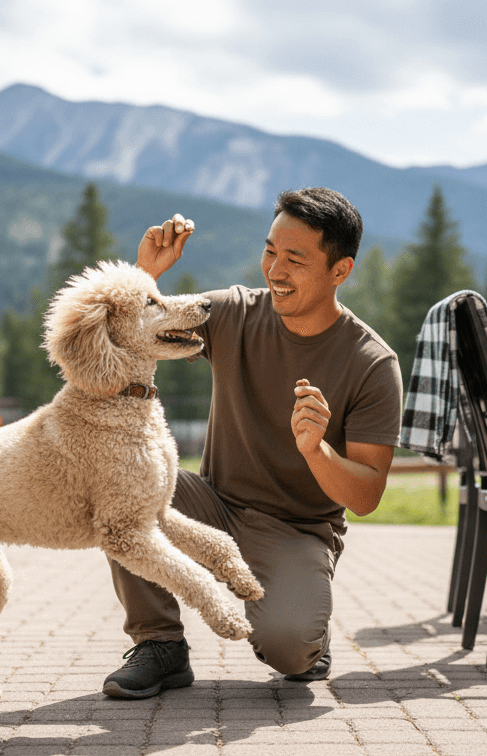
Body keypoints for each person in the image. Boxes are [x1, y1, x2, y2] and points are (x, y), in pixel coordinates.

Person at [103, 187, 403, 699]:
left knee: (290, 650)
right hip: (212, 505)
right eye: (270, 251)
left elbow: (367, 495)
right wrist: (145, 273)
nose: (275, 270)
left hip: (297, 529)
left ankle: (306, 636)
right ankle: (160, 644)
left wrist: (317, 449)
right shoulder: (233, 313)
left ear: (340, 270)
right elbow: (124, 330)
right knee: (119, 477)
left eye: (295, 259)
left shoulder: (372, 363)